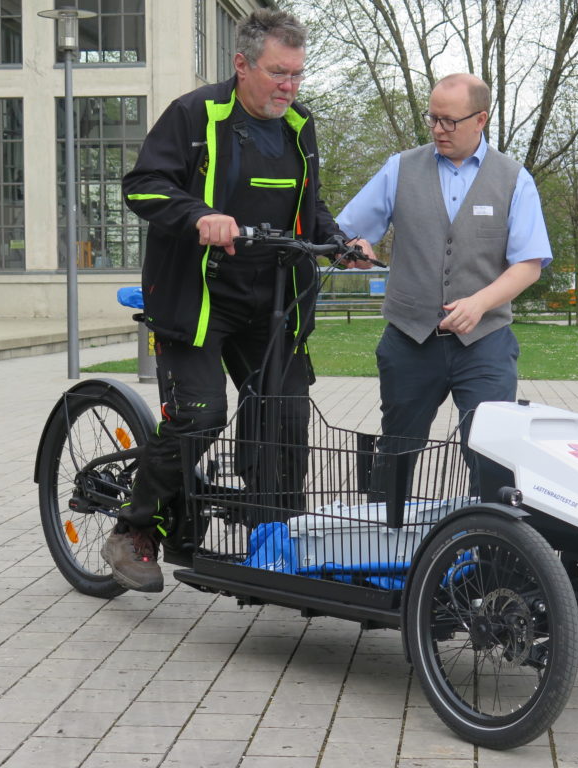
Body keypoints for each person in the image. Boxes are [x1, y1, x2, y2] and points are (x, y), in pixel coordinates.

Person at [105, 9, 369, 592]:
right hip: (198, 297)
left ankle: (273, 538)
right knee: (201, 414)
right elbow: (143, 185)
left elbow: (310, 206)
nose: (289, 87)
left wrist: (338, 241)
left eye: (298, 75)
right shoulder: (195, 115)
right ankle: (133, 528)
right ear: (242, 64)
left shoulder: (301, 126)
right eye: (279, 73)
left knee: (285, 417)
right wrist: (199, 217)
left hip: (272, 300)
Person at [336, 73, 552, 496]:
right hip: (409, 338)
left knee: (491, 455)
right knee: (397, 450)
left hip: (485, 344)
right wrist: (351, 248)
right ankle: (385, 547)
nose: (438, 129)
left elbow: (528, 265)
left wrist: (479, 303)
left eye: (449, 120)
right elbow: (345, 234)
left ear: (481, 119)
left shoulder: (514, 179)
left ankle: (493, 554)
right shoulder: (399, 169)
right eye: (433, 118)